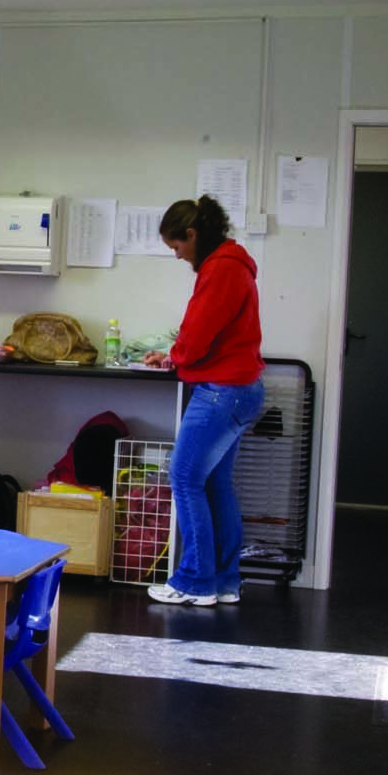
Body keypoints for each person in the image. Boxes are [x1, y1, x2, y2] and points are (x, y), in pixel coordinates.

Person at [151, 194, 262, 607]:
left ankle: (196, 581)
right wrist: (174, 356)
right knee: (215, 484)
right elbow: (212, 334)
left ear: (192, 234)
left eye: (177, 246)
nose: (178, 255)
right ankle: (225, 582)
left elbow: (197, 334)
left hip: (221, 393)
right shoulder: (234, 264)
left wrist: (178, 355)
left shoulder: (220, 269)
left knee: (184, 478)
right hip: (240, 389)